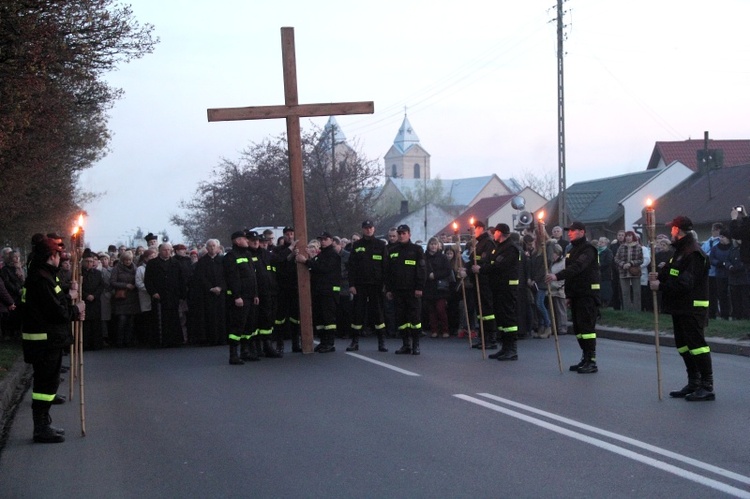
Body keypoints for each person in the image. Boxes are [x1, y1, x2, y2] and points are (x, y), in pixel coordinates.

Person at [22, 236, 85, 443]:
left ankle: (44, 423)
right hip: (44, 341)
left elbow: (58, 302)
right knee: (44, 385)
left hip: (50, 339)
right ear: (51, 256)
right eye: (58, 255)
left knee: (48, 384)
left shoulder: (46, 275)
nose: (60, 259)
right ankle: (40, 427)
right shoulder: (40, 278)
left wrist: (70, 300)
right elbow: (55, 312)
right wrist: (76, 309)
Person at [649, 216, 715, 401]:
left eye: (673, 229)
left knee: (697, 346)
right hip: (680, 307)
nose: (671, 232)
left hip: (692, 307)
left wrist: (660, 286)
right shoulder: (679, 251)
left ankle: (707, 385)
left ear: (679, 230)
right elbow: (673, 271)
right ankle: (694, 382)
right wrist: (659, 275)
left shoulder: (693, 253)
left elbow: (685, 283)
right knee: (683, 345)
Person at [545, 221, 601, 374]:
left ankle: (592, 360)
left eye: (572, 230)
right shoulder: (572, 250)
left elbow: (577, 268)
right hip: (576, 294)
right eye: (568, 231)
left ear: (582, 232)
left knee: (587, 328)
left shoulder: (588, 249)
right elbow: (572, 275)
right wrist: (569, 294)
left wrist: (557, 276)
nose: (569, 233)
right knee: (578, 329)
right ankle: (585, 357)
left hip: (587, 294)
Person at [347, 220, 388, 352]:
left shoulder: (381, 245)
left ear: (374, 229)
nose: (368, 230)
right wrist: (351, 284)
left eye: (370, 228)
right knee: (358, 313)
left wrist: (385, 285)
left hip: (376, 285)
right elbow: (351, 267)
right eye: (365, 228)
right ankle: (355, 341)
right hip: (360, 285)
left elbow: (386, 267)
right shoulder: (357, 245)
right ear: (362, 230)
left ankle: (382, 342)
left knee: (378, 313)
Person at [296, 231, 341, 353]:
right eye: (321, 239)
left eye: (325, 239)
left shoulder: (332, 254)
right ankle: (323, 341)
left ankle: (330, 343)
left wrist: (305, 261)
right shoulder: (322, 254)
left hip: (329, 291)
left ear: (331, 240)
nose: (323, 241)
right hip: (320, 291)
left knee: (328, 319)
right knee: (320, 318)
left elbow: (322, 268)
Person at [385, 225, 426, 355]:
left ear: (409, 234)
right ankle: (405, 344)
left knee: (414, 319)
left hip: (412, 291)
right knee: (401, 319)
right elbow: (389, 272)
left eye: (404, 233)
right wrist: (389, 289)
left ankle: (416, 344)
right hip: (398, 290)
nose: (401, 235)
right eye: (400, 233)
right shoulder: (392, 250)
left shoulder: (416, 250)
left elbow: (421, 270)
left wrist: (419, 287)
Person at [223, 231, 259, 364]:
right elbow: (232, 279)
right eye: (244, 239)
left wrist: (255, 294)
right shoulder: (230, 257)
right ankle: (233, 354)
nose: (247, 241)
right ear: (237, 241)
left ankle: (245, 351)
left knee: (249, 326)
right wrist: (236, 296)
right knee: (237, 326)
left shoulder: (247, 254)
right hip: (240, 298)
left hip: (250, 296)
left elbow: (252, 276)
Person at [487, 223, 521, 360]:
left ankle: (512, 348)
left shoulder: (511, 248)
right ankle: (504, 347)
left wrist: (482, 269)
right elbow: (492, 263)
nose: (494, 234)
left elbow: (500, 266)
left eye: (495, 232)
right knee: (500, 318)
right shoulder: (499, 247)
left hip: (507, 288)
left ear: (500, 233)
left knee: (508, 318)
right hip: (498, 287)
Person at [247, 230, 282, 358]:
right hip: (255, 294)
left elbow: (280, 260)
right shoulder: (247, 255)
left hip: (270, 292)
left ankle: (267, 345)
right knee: (254, 321)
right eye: (255, 241)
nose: (258, 243)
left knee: (268, 319)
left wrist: (291, 250)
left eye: (260, 241)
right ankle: (255, 347)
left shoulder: (266, 254)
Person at [144, 243, 186, 348]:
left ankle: (174, 340)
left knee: (174, 318)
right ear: (160, 251)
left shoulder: (176, 263)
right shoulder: (152, 264)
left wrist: (181, 294)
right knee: (159, 319)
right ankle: (160, 341)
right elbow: (148, 280)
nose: (167, 252)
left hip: (173, 295)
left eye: (169, 250)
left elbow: (181, 280)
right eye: (164, 250)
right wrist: (153, 292)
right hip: (159, 296)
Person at [191, 239, 227, 345]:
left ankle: (222, 338)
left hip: (221, 293)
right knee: (209, 316)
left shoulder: (223, 261)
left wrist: (220, 287)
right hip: (207, 294)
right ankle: (210, 339)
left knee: (222, 316)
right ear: (206, 248)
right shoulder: (202, 262)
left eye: (214, 246)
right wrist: (210, 288)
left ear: (218, 248)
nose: (212, 248)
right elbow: (200, 278)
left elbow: (227, 276)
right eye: (210, 246)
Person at [470, 221, 498, 350]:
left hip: (485, 281)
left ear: (480, 228)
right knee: (480, 311)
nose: (472, 232)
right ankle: (482, 337)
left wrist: (479, 268)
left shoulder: (488, 243)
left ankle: (490, 338)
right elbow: (471, 259)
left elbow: (488, 262)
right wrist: (467, 269)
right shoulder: (478, 243)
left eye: (473, 229)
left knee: (487, 311)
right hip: (477, 281)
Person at [273, 226, 301, 353]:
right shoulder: (278, 249)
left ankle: (297, 343)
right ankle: (280, 344)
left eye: (292, 234)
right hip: (282, 287)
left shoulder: (299, 249)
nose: (290, 236)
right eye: (287, 234)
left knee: (295, 317)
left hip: (295, 287)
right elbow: (278, 261)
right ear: (283, 236)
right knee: (280, 318)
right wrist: (290, 253)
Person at [423, 237, 452, 339]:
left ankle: (445, 330)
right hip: (429, 287)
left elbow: (447, 271)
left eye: (435, 244)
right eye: (431, 244)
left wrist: (435, 275)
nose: (433, 246)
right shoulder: (424, 257)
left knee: (441, 309)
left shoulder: (443, 257)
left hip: (440, 287)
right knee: (431, 311)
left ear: (438, 246)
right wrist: (427, 275)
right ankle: (434, 330)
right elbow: (421, 269)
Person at [110, 250, 139, 347]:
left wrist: (134, 285)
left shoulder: (135, 268)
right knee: (122, 320)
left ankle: (129, 341)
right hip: (121, 297)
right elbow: (113, 282)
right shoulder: (117, 268)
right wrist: (126, 285)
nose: (128, 262)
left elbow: (138, 279)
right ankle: (119, 341)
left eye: (130, 260)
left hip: (132, 297)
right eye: (126, 260)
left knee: (131, 321)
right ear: (122, 260)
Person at [81, 251, 105, 350]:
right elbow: (78, 287)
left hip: (95, 301)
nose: (89, 263)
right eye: (87, 261)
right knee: (85, 324)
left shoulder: (98, 273)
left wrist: (94, 295)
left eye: (91, 261)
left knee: (95, 323)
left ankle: (96, 344)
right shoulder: (79, 273)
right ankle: (85, 344)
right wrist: (86, 295)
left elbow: (101, 286)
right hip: (84, 300)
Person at [614, 231, 643, 312]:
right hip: (623, 272)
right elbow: (616, 258)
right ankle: (627, 310)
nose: (628, 237)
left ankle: (637, 310)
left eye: (630, 236)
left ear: (633, 237)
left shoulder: (638, 247)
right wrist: (623, 264)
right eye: (626, 236)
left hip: (635, 272)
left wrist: (631, 263)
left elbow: (641, 259)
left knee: (636, 292)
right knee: (625, 292)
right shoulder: (621, 247)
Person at [528, 237, 551, 339]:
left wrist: (535, 279)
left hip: (541, 282)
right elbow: (530, 267)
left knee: (539, 303)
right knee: (537, 306)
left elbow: (543, 269)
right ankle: (541, 327)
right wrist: (529, 278)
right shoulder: (534, 253)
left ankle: (548, 326)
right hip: (534, 282)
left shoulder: (545, 253)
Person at [135, 249, 157, 346]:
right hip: (145, 295)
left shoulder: (156, 267)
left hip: (155, 295)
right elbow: (139, 283)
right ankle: (146, 339)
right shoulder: (140, 269)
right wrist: (149, 289)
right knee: (147, 317)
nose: (152, 258)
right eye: (150, 257)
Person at [708, 229, 732, 320]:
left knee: (730, 295)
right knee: (721, 295)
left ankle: (732, 313)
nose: (720, 239)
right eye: (720, 237)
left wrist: (728, 263)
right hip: (719, 274)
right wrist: (719, 263)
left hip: (731, 274)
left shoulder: (732, 247)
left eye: (723, 237)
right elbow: (711, 259)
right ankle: (724, 315)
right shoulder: (715, 248)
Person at [702, 222, 724, 319]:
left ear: (719, 230)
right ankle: (711, 314)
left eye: (714, 230)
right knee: (710, 294)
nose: (712, 232)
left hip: (717, 272)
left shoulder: (721, 242)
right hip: (708, 272)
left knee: (720, 294)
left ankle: (722, 314)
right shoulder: (707, 242)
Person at [548, 243, 567, 335]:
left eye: (554, 254)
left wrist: (559, 285)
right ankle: (554, 328)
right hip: (551, 289)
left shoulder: (563, 263)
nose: (552, 256)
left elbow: (564, 275)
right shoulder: (551, 263)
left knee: (560, 310)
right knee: (552, 310)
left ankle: (562, 328)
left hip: (559, 288)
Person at [597, 237, 614, 307]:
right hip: (596, 273)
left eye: (602, 242)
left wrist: (599, 266)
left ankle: (605, 302)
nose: (600, 243)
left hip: (605, 273)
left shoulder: (608, 251)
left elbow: (608, 262)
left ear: (606, 244)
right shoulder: (596, 251)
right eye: (599, 241)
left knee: (605, 288)